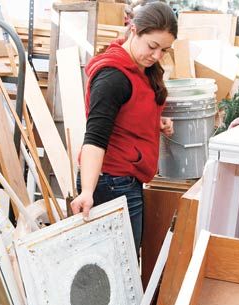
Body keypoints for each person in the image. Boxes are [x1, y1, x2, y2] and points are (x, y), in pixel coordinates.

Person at [71, 2, 177, 257]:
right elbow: (95, 139)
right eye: (152, 46)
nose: (157, 56)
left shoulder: (142, 68)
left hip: (127, 179)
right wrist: (87, 191)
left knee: (123, 263)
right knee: (117, 265)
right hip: (110, 183)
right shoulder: (113, 77)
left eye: (165, 50)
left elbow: (130, 111)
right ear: (134, 30)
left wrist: (155, 122)